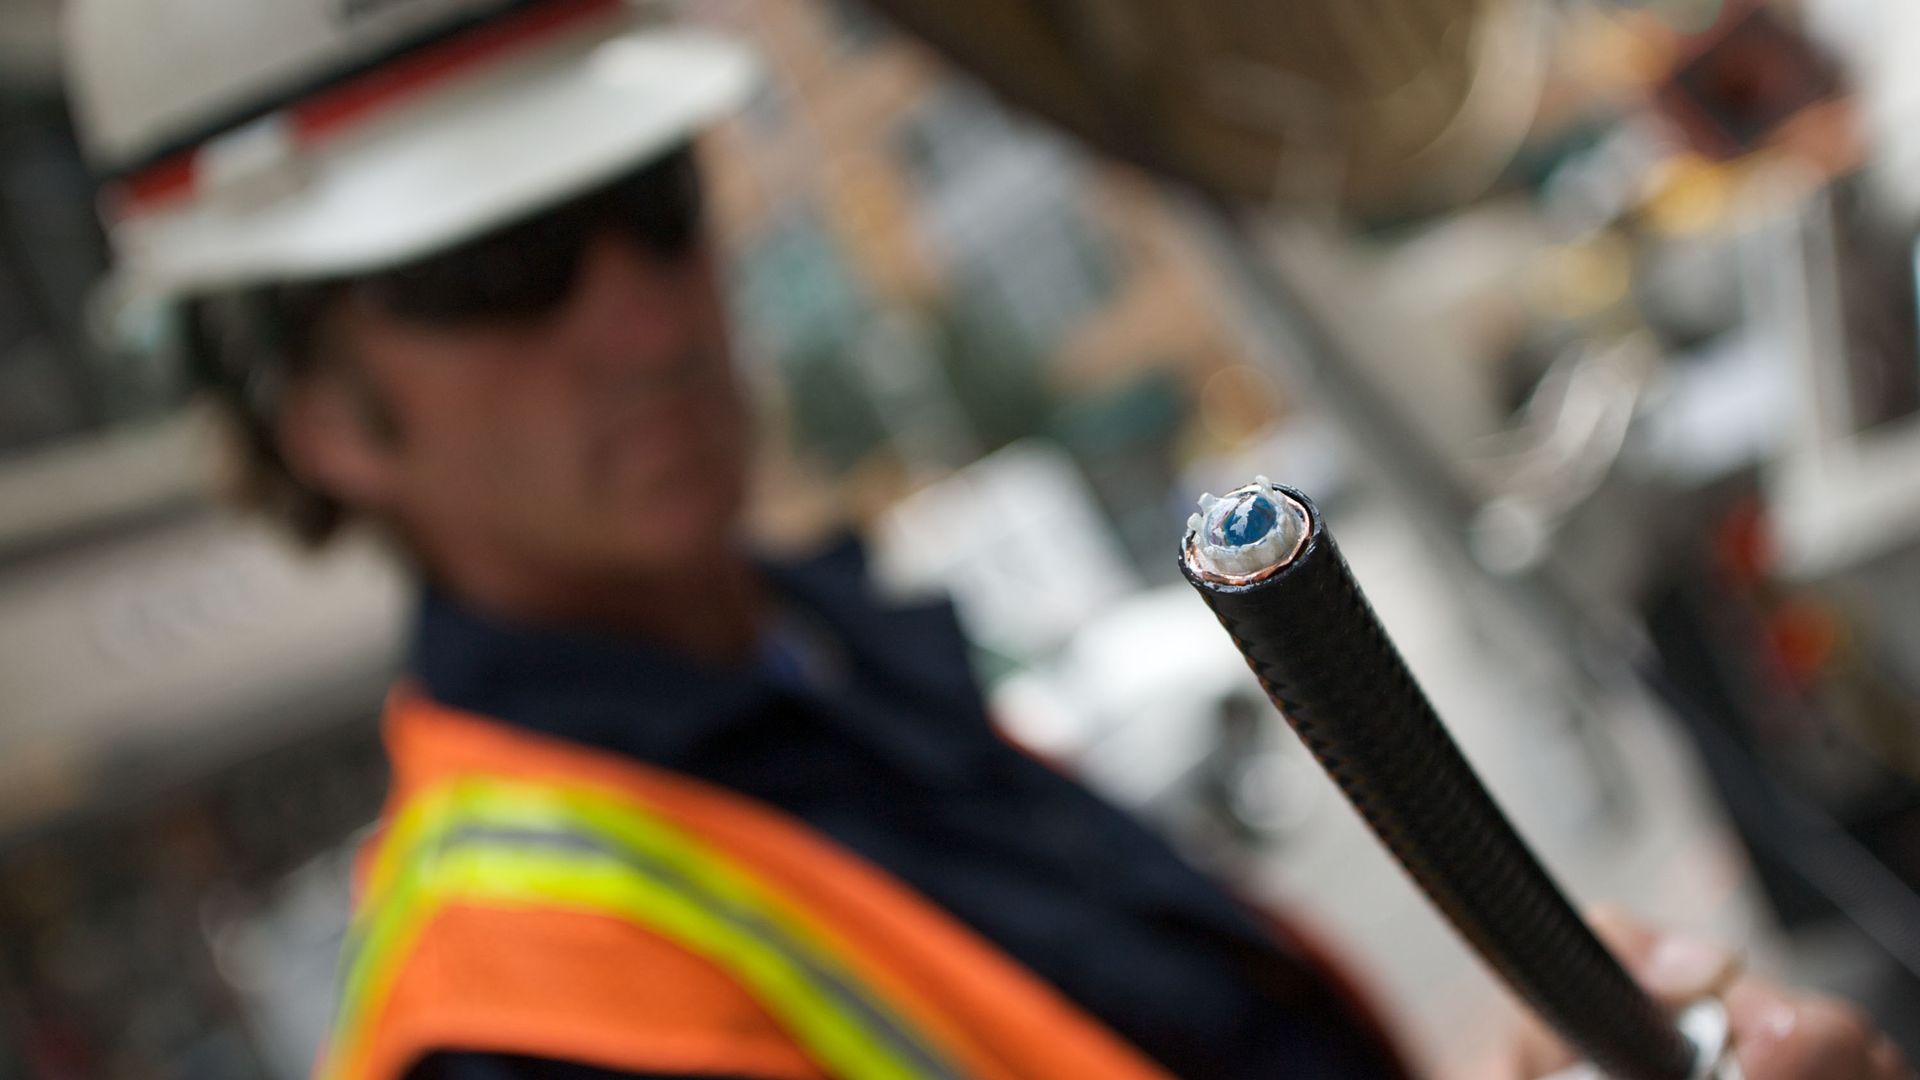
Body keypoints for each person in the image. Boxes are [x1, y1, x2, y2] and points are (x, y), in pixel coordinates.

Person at [64, 1, 1912, 1078]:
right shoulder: (513, 1014)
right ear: (316, 412)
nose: (636, 310)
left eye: (646, 203)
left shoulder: (835, 683)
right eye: (499, 274)